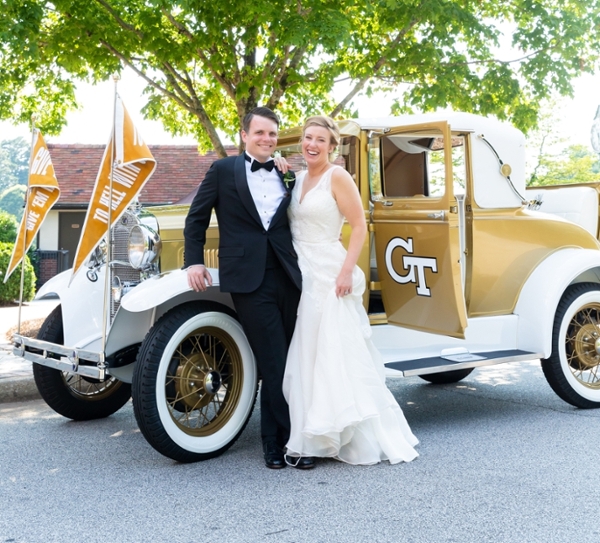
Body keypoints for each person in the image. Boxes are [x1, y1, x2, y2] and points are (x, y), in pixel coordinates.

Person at [281, 115, 419, 465]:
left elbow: (358, 226)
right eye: (307, 137)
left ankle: (320, 437)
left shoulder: (337, 177)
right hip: (299, 267)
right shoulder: (295, 179)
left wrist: (346, 272)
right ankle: (306, 430)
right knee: (305, 355)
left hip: (328, 272)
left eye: (320, 140)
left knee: (325, 352)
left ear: (332, 146)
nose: (311, 144)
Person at [183, 107, 314, 470]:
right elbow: (196, 217)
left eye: (272, 134)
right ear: (244, 135)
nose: (267, 140)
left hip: (289, 274)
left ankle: (290, 437)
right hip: (248, 279)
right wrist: (193, 261)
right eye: (260, 133)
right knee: (273, 361)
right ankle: (282, 443)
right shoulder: (222, 170)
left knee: (290, 359)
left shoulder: (286, 173)